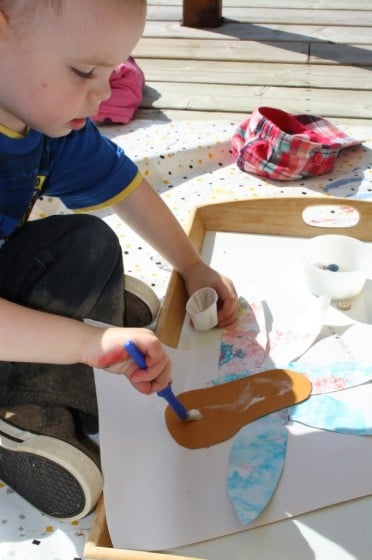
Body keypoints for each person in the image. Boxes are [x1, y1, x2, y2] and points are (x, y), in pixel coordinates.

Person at [0, 0, 238, 520]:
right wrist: (89, 341)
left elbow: (124, 186)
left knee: (89, 241)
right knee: (86, 323)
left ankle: (64, 345)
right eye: (85, 70)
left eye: (114, 71)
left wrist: (191, 264)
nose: (104, 92)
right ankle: (22, 413)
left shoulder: (40, 119)